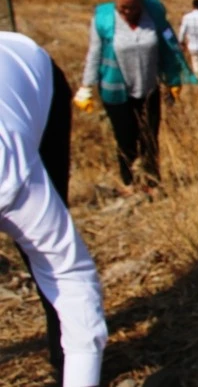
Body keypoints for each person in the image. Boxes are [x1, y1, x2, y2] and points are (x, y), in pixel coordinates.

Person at [2, 33, 108, 387]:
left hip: (34, 76)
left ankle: (63, 357)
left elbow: (70, 273)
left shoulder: (12, 178)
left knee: (45, 258)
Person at [74, 0, 195, 188]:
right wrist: (86, 86)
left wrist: (173, 78)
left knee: (150, 139)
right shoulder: (103, 20)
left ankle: (152, 181)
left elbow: (169, 47)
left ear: (141, 2)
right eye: (123, 7)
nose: (127, 12)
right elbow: (94, 54)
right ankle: (130, 183)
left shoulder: (154, 15)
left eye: (133, 7)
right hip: (116, 91)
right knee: (126, 139)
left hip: (148, 89)